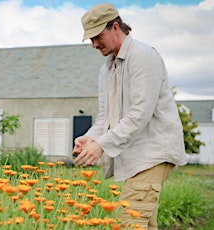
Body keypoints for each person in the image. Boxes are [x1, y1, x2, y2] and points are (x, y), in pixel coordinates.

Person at [73, 3, 187, 229]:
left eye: (97, 36)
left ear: (116, 27)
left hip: (153, 153)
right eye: (91, 39)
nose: (94, 44)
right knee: (142, 224)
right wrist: (91, 138)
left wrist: (101, 145)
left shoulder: (142, 56)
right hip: (137, 157)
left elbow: (139, 114)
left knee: (128, 223)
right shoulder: (107, 68)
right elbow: (105, 116)